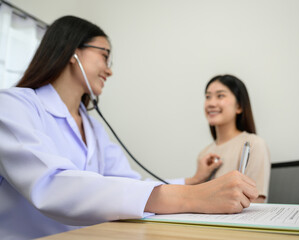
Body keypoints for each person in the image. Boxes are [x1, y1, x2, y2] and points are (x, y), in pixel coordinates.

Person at [0, 16, 258, 239]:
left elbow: (129, 184)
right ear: (72, 52)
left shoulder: (93, 129)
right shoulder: (13, 106)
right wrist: (193, 196)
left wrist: (192, 182)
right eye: (104, 56)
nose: (109, 71)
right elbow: (52, 186)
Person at [197, 75, 270, 203]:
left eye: (220, 96)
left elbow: (256, 202)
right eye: (208, 97)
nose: (211, 103)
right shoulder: (204, 154)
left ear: (239, 107)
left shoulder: (254, 144)